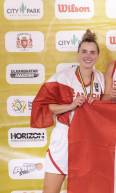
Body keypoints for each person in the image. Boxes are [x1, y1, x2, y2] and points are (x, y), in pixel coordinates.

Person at [30, 29, 104, 193]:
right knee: (50, 190)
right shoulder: (62, 78)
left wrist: (98, 104)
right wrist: (70, 106)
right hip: (65, 138)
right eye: (84, 51)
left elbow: (107, 111)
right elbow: (41, 107)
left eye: (92, 52)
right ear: (78, 54)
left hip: (90, 140)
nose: (88, 56)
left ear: (98, 56)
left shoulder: (101, 78)